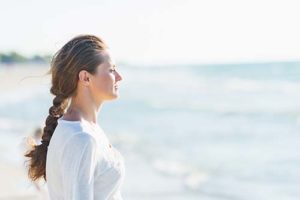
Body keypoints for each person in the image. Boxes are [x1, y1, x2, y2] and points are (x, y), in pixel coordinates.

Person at [24, 34, 125, 200]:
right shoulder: (81, 138)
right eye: (112, 70)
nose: (119, 77)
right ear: (85, 77)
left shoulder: (87, 129)